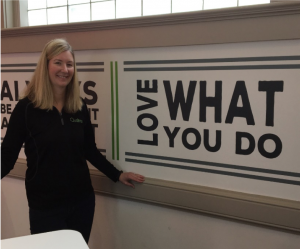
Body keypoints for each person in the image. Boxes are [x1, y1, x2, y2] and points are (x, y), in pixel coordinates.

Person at [0, 38, 145, 243]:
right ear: (46, 65)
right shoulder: (26, 109)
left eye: (69, 64)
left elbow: (89, 150)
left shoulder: (79, 106)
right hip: (45, 207)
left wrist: (117, 174)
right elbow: (6, 157)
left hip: (82, 203)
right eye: (58, 62)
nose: (65, 69)